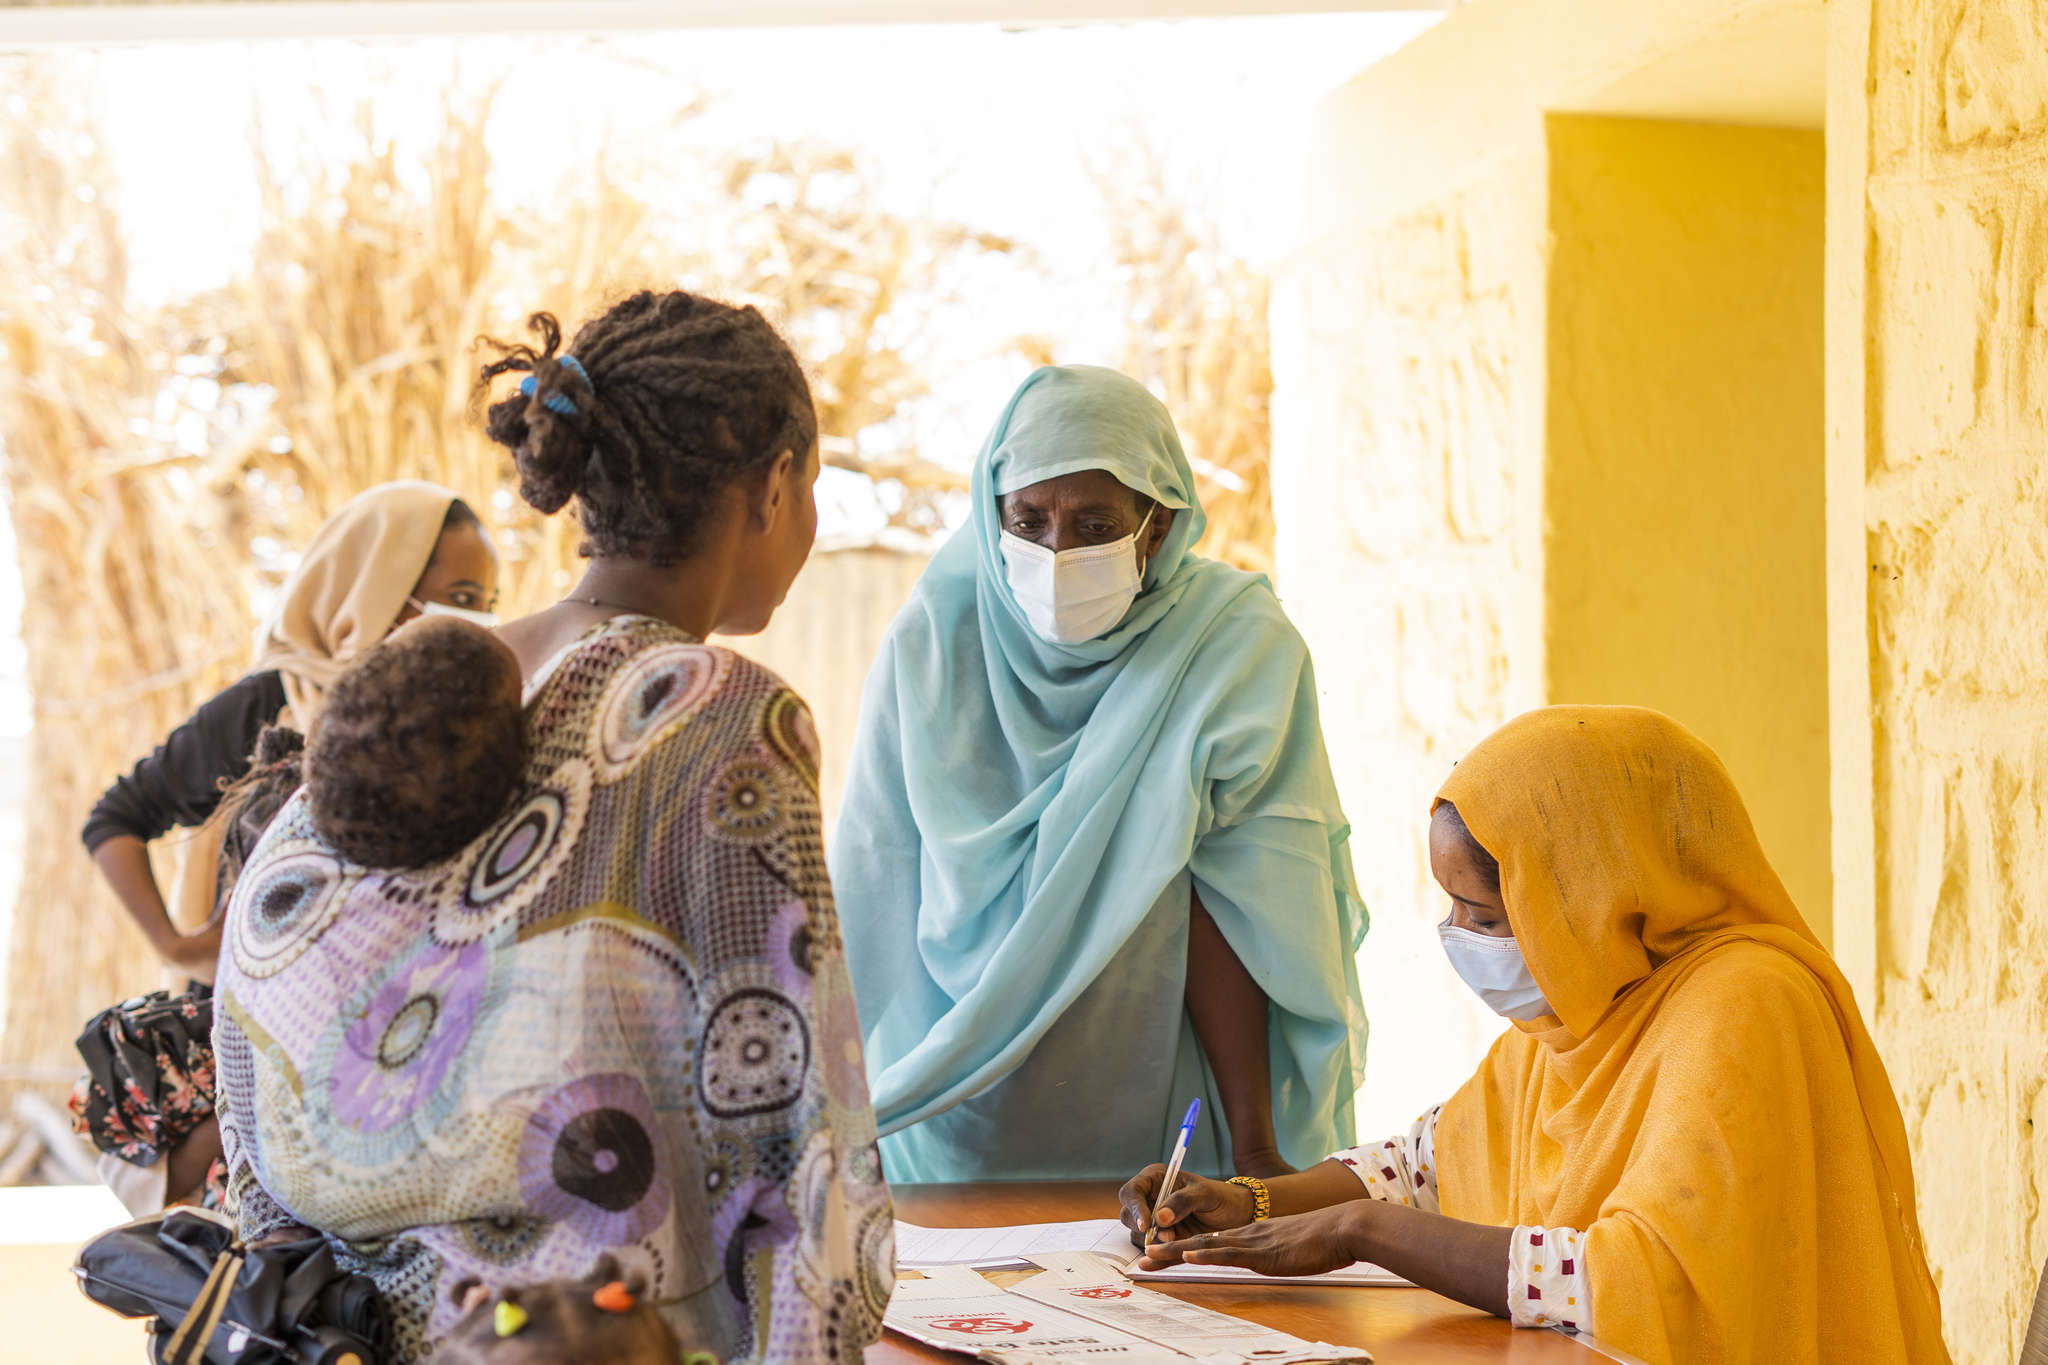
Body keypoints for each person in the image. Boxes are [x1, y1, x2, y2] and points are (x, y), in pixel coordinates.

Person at [212, 294, 893, 1365]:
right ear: (777, 485)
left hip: (326, 1335)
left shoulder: (409, 703)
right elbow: (805, 1157)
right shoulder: (720, 715)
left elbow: (251, 1055)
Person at [1121, 706, 1951, 1365]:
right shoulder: (1579, 1009)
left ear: (1590, 899)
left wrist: (1359, 1233)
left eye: (1483, 915)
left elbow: (1628, 1280)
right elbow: (1423, 1165)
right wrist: (1247, 1203)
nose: (1458, 936)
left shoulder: (1748, 1004)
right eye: (1452, 909)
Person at [833, 364, 1367, 1184]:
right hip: (937, 1117)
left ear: (1156, 525)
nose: (1058, 551)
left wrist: (1257, 1151)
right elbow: (870, 875)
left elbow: (1254, 896)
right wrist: (814, 1105)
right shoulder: (935, 644)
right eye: (1030, 520)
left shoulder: (1229, 646)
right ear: (993, 517)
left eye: (1094, 523)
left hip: (1155, 1127)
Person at [81, 481, 499, 981]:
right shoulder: (273, 702)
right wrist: (176, 948)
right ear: (370, 587)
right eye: (460, 598)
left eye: (489, 604)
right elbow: (117, 816)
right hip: (258, 1031)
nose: (480, 624)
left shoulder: (473, 723)